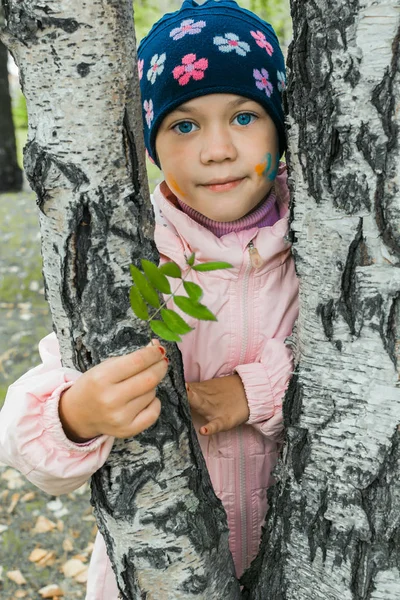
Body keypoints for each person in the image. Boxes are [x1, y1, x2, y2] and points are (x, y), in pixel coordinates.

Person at [0, 0, 298, 596]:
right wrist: (75, 415)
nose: (217, 150)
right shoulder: (132, 255)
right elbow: (24, 436)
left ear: (284, 124)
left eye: (244, 117)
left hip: (298, 564)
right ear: (152, 143)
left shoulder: (325, 248)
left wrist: (256, 390)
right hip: (156, 571)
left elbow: (367, 376)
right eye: (183, 125)